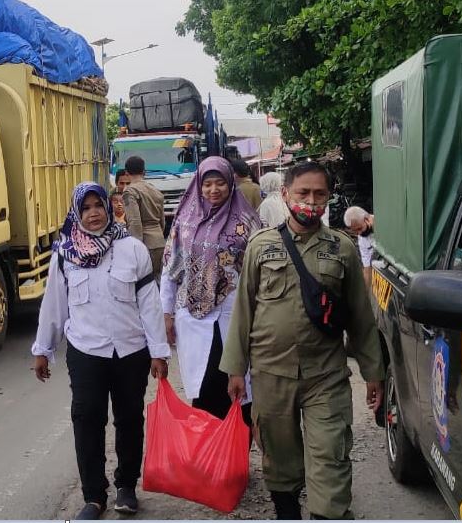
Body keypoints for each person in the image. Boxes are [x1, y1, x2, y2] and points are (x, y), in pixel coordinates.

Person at [220, 162, 385, 520]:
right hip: (270, 374)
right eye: (303, 193)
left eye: (319, 194)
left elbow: (361, 316)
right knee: (280, 459)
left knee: (330, 454)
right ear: (285, 195)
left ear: (328, 199)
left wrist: (374, 373)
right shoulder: (260, 247)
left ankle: (329, 514)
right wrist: (236, 369)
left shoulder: (342, 248)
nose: (311, 201)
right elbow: (243, 310)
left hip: (325, 375)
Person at [32, 182, 170, 520]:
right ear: (77, 213)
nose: (93, 213)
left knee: (128, 418)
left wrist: (158, 351)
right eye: (86, 208)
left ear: (109, 208)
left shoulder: (131, 249)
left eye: (99, 206)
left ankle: (126, 486)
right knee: (86, 419)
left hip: (130, 349)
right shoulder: (65, 253)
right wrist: (43, 348)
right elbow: (55, 303)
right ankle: (94, 497)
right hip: (86, 350)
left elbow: (149, 302)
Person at [161, 156, 260, 426]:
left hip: (234, 315)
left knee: (238, 386)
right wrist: (166, 313)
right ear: (198, 186)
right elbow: (170, 269)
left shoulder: (247, 221)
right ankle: (207, 457)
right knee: (203, 387)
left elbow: (258, 270)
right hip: (193, 318)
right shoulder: (185, 221)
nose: (213, 190)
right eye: (207, 184)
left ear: (230, 184)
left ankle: (235, 455)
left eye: (219, 184)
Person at [122, 156, 166, 279]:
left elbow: (135, 222)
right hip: (159, 242)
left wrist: (135, 248)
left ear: (126, 173)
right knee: (157, 282)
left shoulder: (130, 192)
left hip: (144, 244)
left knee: (143, 284)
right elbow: (162, 221)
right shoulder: (155, 190)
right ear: (144, 172)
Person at [344, 206, 375, 287]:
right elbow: (367, 268)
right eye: (355, 231)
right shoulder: (362, 239)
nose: (359, 233)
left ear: (367, 219)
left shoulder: (385, 223)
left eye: (359, 228)